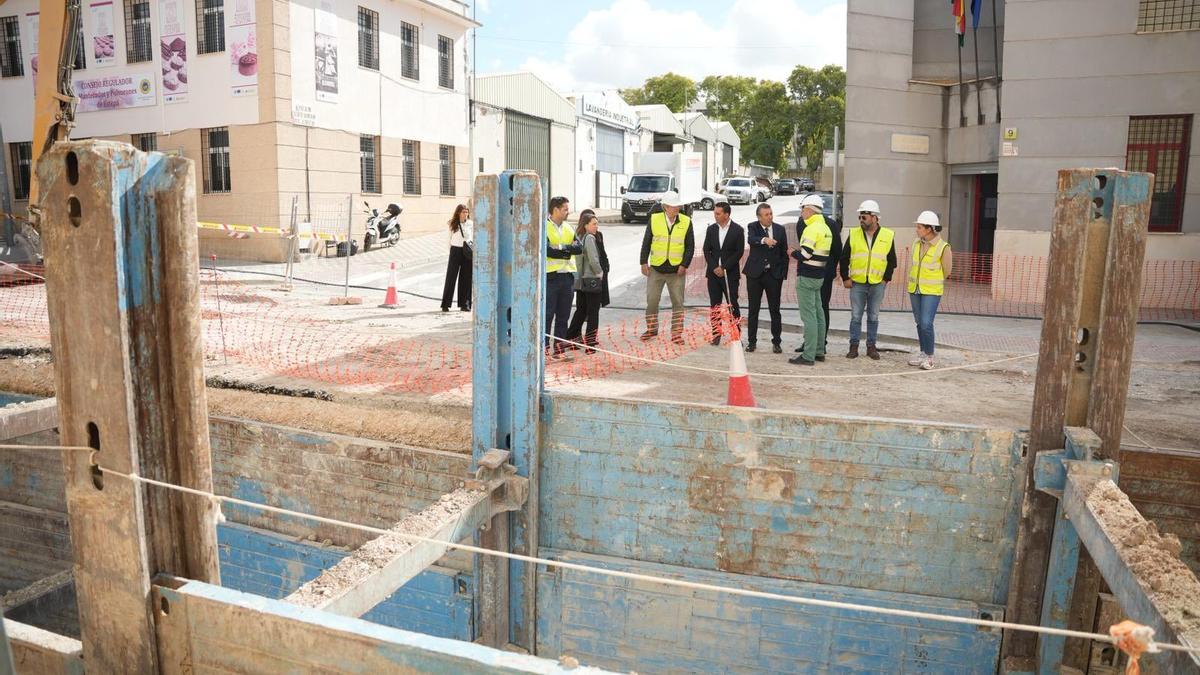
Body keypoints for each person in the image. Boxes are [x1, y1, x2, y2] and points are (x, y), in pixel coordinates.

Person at [839, 199, 896, 360]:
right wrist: (845, 277)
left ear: (874, 217)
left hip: (878, 283)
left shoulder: (887, 235)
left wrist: (886, 280)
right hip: (857, 283)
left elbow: (892, 261)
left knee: (873, 316)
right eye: (860, 217)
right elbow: (844, 258)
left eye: (864, 217)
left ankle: (871, 347)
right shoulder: (854, 234)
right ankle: (854, 346)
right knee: (856, 316)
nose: (861, 220)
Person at [639, 192, 695, 344]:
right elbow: (647, 242)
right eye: (674, 206)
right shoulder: (654, 219)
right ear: (665, 207)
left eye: (678, 205)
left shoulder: (686, 221)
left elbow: (690, 246)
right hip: (656, 269)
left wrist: (684, 265)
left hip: (677, 271)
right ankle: (651, 329)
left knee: (678, 303)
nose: (677, 208)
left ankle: (676, 333)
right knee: (652, 301)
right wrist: (643, 262)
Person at [787, 194, 833, 366]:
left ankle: (809, 354)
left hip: (807, 276)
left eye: (802, 208)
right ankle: (819, 350)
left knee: (809, 316)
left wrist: (792, 252)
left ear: (809, 209)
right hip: (819, 275)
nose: (801, 212)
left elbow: (805, 255)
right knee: (819, 313)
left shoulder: (811, 229)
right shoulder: (826, 228)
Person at [908, 210, 952, 370]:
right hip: (915, 288)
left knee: (927, 323)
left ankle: (930, 356)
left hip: (931, 291)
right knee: (919, 323)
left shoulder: (943, 247)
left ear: (929, 229)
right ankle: (923, 353)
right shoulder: (916, 243)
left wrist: (932, 281)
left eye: (919, 227)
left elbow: (947, 270)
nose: (917, 229)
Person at [742, 203, 788, 353]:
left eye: (771, 213)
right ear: (759, 217)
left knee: (774, 309)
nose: (770, 217)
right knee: (753, 309)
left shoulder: (780, 229)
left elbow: (784, 253)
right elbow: (751, 239)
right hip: (755, 275)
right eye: (766, 215)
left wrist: (783, 274)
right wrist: (764, 240)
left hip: (774, 276)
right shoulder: (753, 227)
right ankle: (752, 342)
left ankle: (776, 342)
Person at [702, 201, 745, 346]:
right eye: (715, 213)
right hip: (713, 274)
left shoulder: (738, 230)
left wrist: (724, 267)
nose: (715, 215)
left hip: (730, 274)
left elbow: (739, 252)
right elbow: (706, 250)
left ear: (726, 215)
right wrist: (714, 267)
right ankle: (716, 334)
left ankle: (736, 335)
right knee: (715, 306)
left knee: (732, 305)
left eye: (718, 213)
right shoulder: (711, 229)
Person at [545, 196, 583, 359]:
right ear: (555, 209)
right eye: (565, 209)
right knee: (547, 315)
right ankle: (544, 350)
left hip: (567, 279)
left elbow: (579, 248)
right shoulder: (544, 227)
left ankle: (559, 351)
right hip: (550, 279)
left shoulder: (569, 227)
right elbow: (548, 251)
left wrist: (560, 248)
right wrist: (567, 250)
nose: (568, 212)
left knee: (563, 316)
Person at [565, 213, 604, 352]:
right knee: (593, 312)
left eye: (597, 224)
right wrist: (600, 273)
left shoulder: (579, 236)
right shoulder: (589, 238)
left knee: (581, 310)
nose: (596, 227)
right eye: (594, 224)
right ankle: (590, 344)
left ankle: (569, 338)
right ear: (586, 225)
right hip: (592, 279)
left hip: (581, 281)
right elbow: (593, 259)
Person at [440, 204, 473, 312]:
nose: (465, 214)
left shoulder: (471, 224)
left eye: (466, 211)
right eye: (463, 211)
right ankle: (445, 304)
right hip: (455, 251)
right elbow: (448, 239)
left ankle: (465, 304)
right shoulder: (452, 223)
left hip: (467, 252)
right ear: (458, 212)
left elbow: (473, 238)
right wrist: (451, 251)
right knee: (451, 277)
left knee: (466, 279)